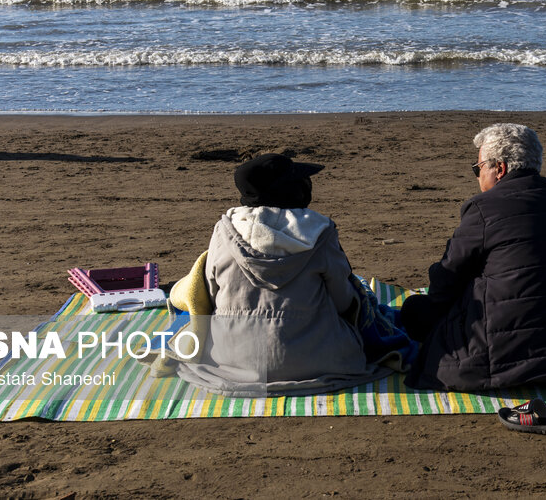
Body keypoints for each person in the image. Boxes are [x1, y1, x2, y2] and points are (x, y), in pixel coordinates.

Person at [402, 123, 546, 391]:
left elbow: (448, 278)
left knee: (414, 312)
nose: (477, 177)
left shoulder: (483, 208)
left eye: (478, 169)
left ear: (499, 168)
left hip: (506, 357)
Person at [171, 153, 402, 396]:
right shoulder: (320, 232)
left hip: (232, 361)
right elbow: (344, 301)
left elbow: (210, 293)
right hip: (318, 361)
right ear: (293, 189)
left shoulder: (224, 232)